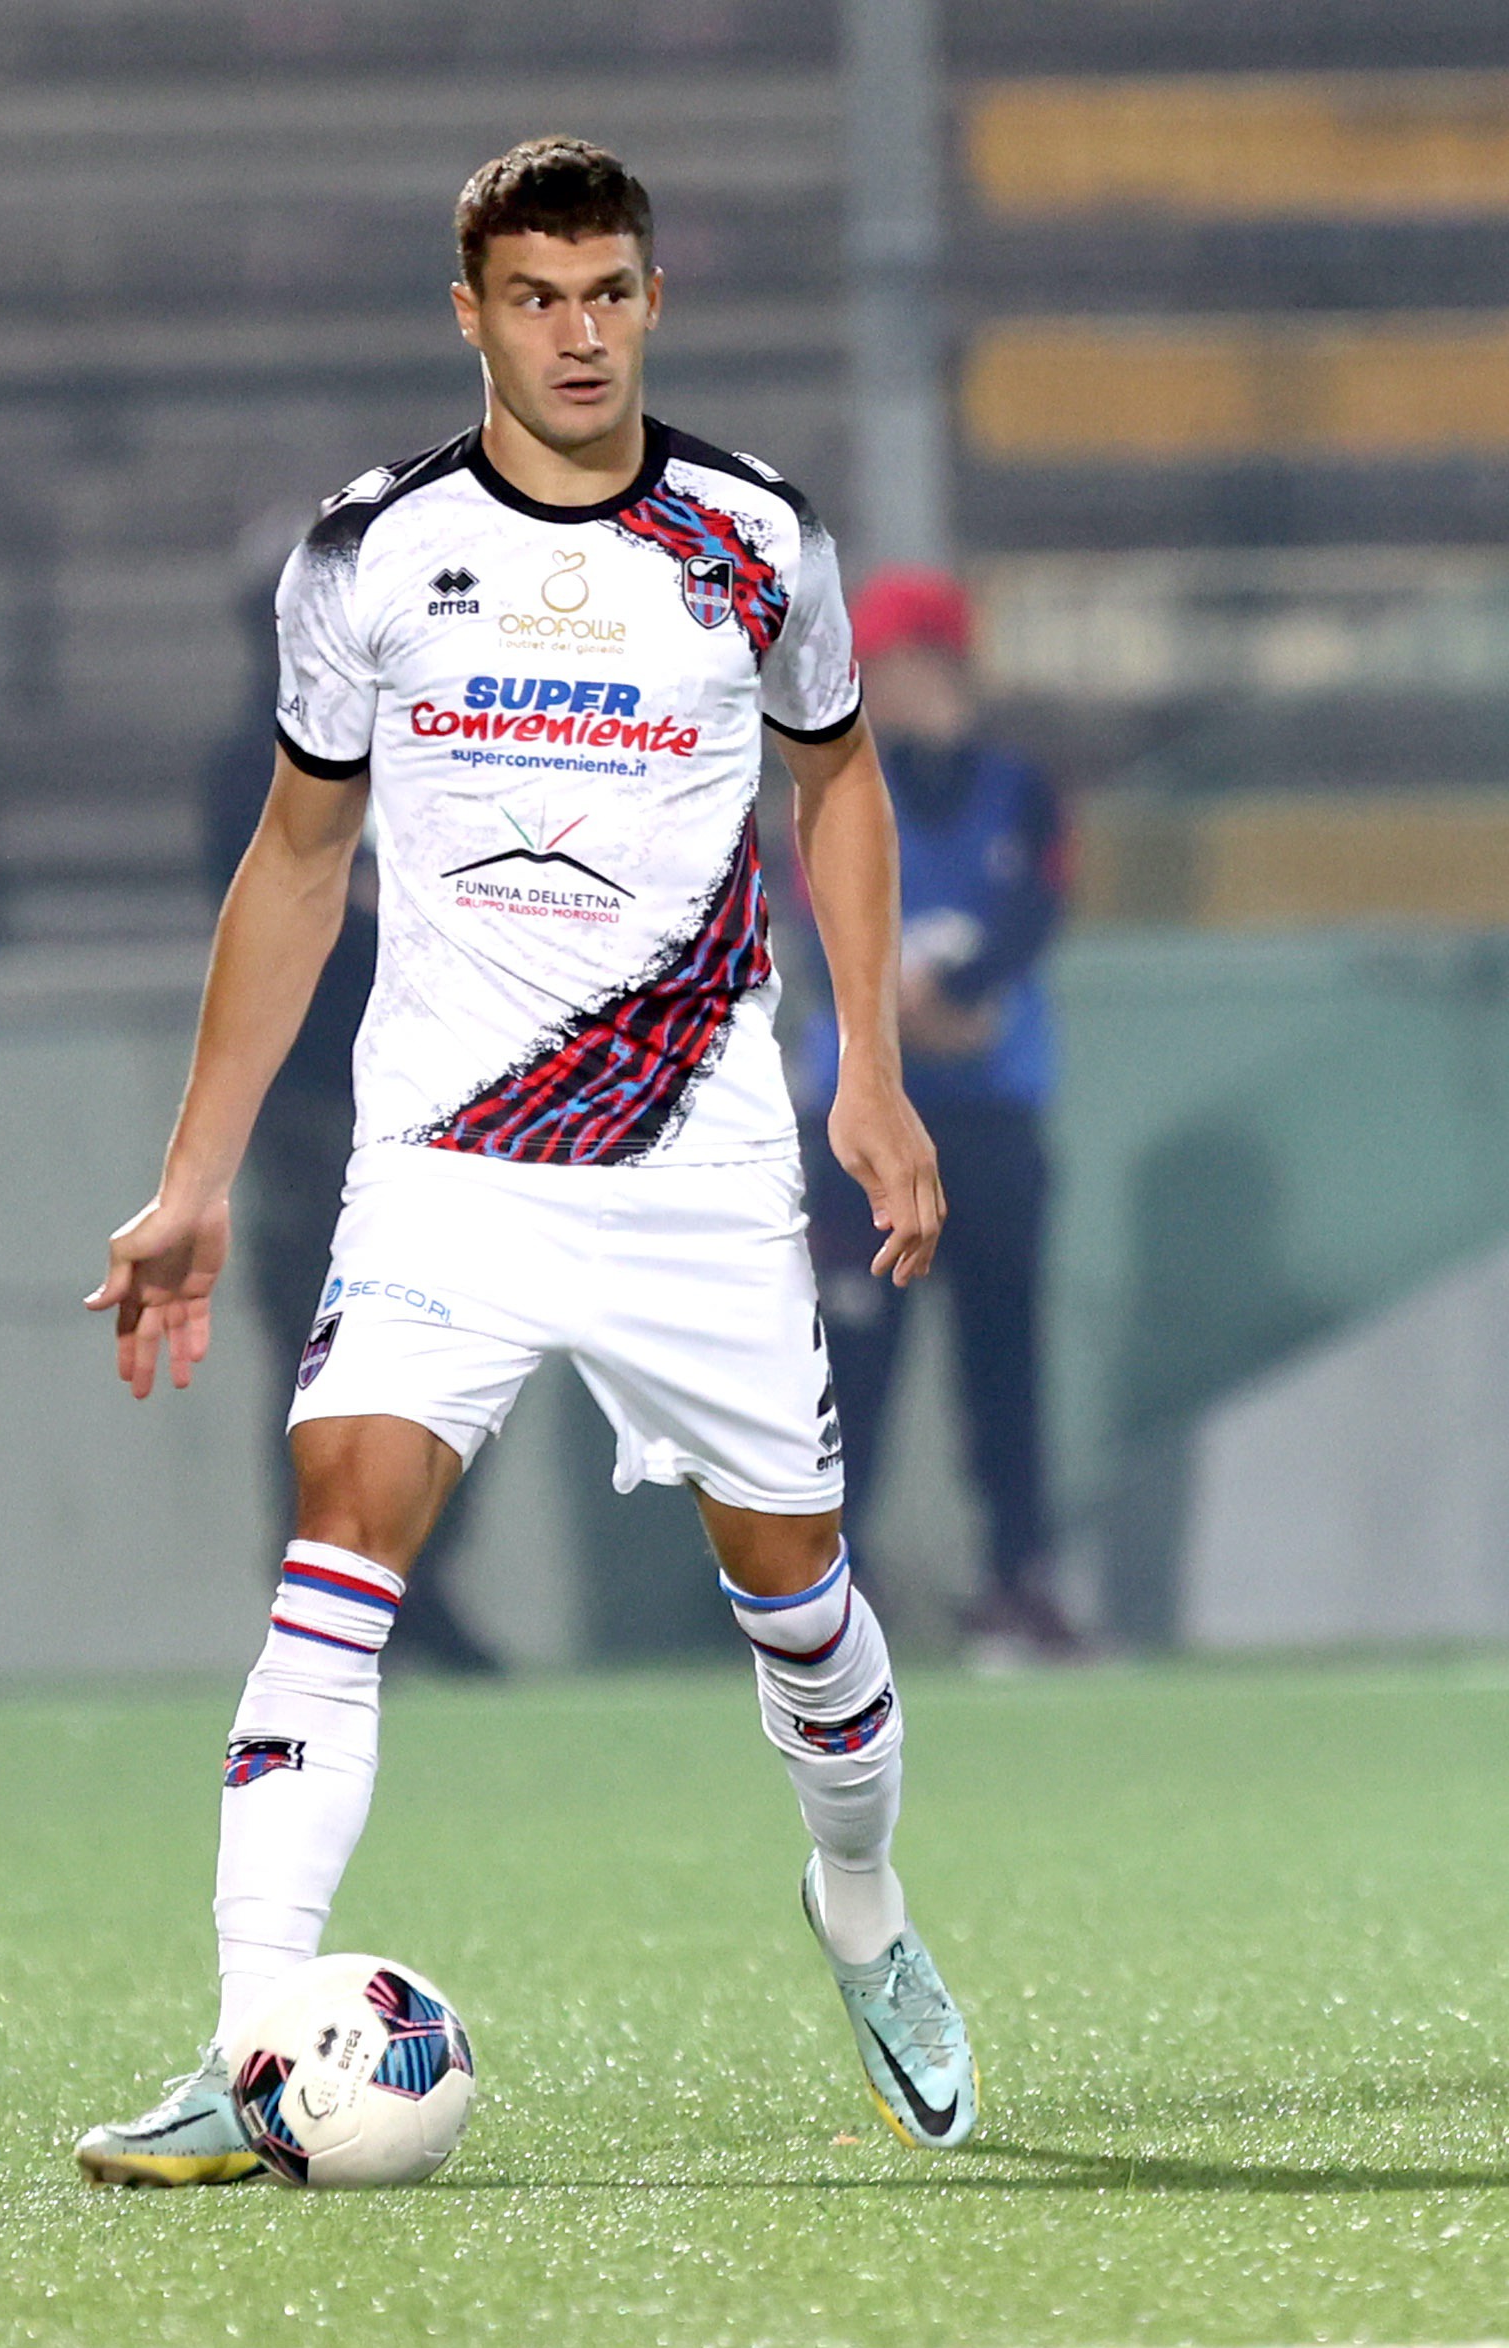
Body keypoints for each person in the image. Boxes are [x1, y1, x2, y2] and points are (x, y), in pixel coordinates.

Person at [72, 137, 974, 2182]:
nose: (579, 334)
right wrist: (193, 1174)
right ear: (467, 314)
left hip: (693, 1164)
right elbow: (297, 858)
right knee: (338, 1537)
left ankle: (858, 1903)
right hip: (446, 1162)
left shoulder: (756, 536)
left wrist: (866, 1068)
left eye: (609, 293)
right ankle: (246, 2035)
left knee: (801, 1605)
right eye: (537, 297)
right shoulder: (369, 554)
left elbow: (836, 784)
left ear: (652, 301)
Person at [197, 560, 503, 1674]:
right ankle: (330, 1579)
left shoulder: (443, 739)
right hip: (321, 1099)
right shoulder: (255, 763)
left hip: (447, 1088)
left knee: (469, 1341)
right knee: (325, 1346)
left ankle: (412, 1572)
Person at [791, 566, 1089, 1667]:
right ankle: (825, 1591)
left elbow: (1034, 912)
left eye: (898, 662)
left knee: (1003, 1365)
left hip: (989, 1120)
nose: (881, 684)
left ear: (944, 665)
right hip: (865, 1126)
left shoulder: (1021, 792)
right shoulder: (830, 783)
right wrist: (905, 1016)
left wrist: (957, 995)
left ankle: (1020, 1579)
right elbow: (810, 922)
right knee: (847, 1368)